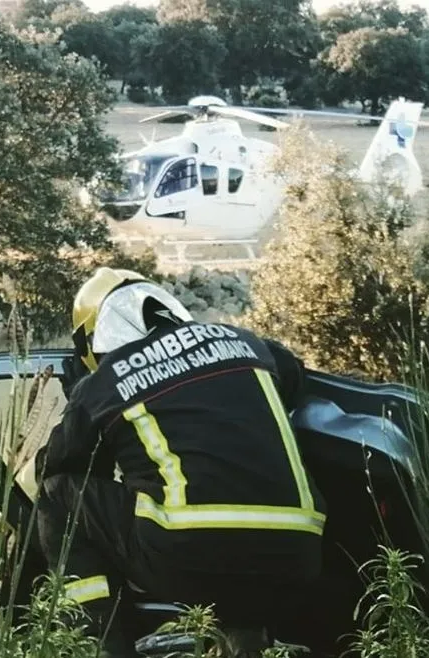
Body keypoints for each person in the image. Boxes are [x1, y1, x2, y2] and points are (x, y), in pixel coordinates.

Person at [32, 266, 327, 656]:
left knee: (56, 497)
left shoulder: (105, 381)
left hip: (188, 556)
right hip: (298, 555)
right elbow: (292, 373)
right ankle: (245, 642)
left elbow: (56, 466)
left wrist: (81, 401)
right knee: (231, 511)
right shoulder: (249, 344)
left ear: (90, 339)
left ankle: (103, 646)